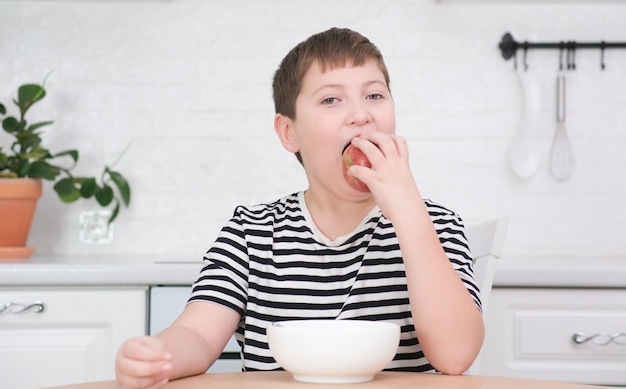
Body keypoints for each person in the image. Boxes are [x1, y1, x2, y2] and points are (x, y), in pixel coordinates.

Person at [115, 27, 484, 389]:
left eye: (374, 95)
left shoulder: (435, 224)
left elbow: (456, 356)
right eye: (330, 100)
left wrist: (408, 212)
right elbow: (195, 332)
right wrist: (157, 355)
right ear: (289, 132)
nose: (360, 115)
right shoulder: (252, 232)